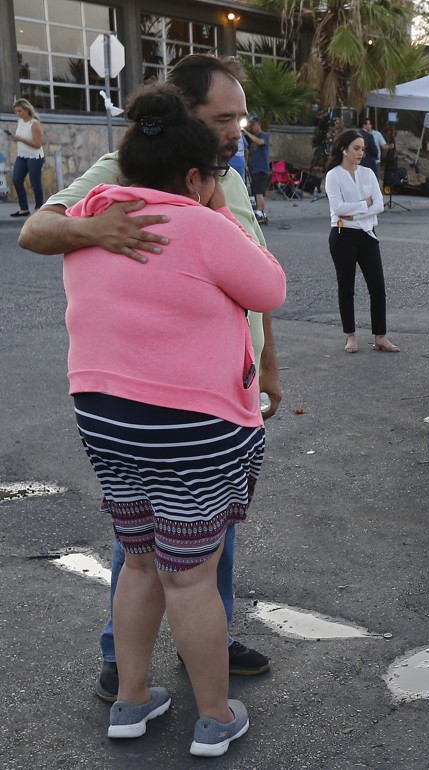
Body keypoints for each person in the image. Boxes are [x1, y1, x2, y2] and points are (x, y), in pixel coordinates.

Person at [18, 53, 280, 705]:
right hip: (175, 401)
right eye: (224, 118)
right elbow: (37, 228)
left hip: (230, 384)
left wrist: (269, 366)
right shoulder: (129, 170)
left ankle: (207, 649)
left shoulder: (229, 170)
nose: (236, 130)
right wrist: (99, 227)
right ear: (186, 118)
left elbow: (255, 280)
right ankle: (124, 660)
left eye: (240, 118)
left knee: (207, 543)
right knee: (146, 550)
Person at [326, 130, 398, 354]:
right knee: (346, 287)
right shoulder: (334, 175)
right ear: (344, 149)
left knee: (377, 287)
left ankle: (380, 336)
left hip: (367, 234)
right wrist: (363, 205)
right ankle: (351, 335)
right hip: (342, 235)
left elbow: (379, 204)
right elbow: (338, 208)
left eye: (363, 149)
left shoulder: (368, 173)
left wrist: (355, 211)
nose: (360, 153)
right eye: (356, 148)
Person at [8, 99, 45, 216]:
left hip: (34, 157)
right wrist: (15, 138)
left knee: (35, 183)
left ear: (27, 110)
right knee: (16, 180)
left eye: (20, 111)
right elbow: (22, 137)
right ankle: (24, 208)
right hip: (22, 156)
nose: (18, 113)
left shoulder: (34, 124)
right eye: (16, 111)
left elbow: (38, 144)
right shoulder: (20, 121)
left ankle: (39, 209)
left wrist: (20, 139)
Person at [243, 116, 270, 223]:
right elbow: (247, 151)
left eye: (253, 125)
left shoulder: (264, 135)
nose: (252, 127)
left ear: (258, 124)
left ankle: (259, 212)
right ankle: (262, 212)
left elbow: (260, 142)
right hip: (253, 168)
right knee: (257, 192)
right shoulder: (251, 138)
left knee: (260, 192)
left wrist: (247, 133)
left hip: (261, 168)